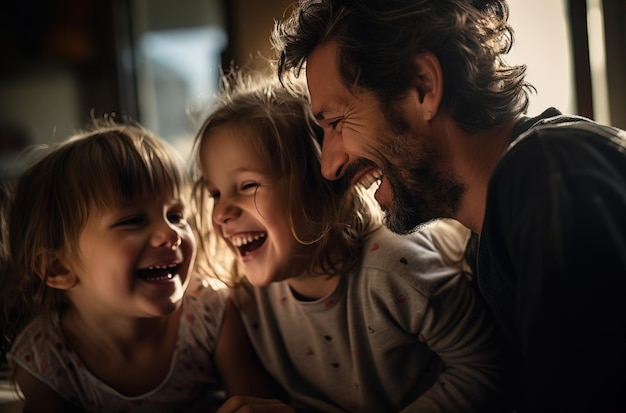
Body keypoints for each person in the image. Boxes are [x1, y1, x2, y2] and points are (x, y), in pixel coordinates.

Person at [272, 1, 626, 412]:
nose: (330, 166)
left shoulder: (548, 172)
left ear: (423, 86)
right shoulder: (490, 238)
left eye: (335, 122)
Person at [191, 72, 509, 413]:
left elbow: (487, 368)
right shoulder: (246, 299)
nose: (221, 212)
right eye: (215, 194)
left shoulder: (396, 270)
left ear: (322, 182)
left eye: (248, 185)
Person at [0, 118, 275, 413]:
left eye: (176, 216)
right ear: (58, 268)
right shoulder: (46, 357)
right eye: (133, 220)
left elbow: (255, 404)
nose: (171, 234)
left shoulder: (209, 310)